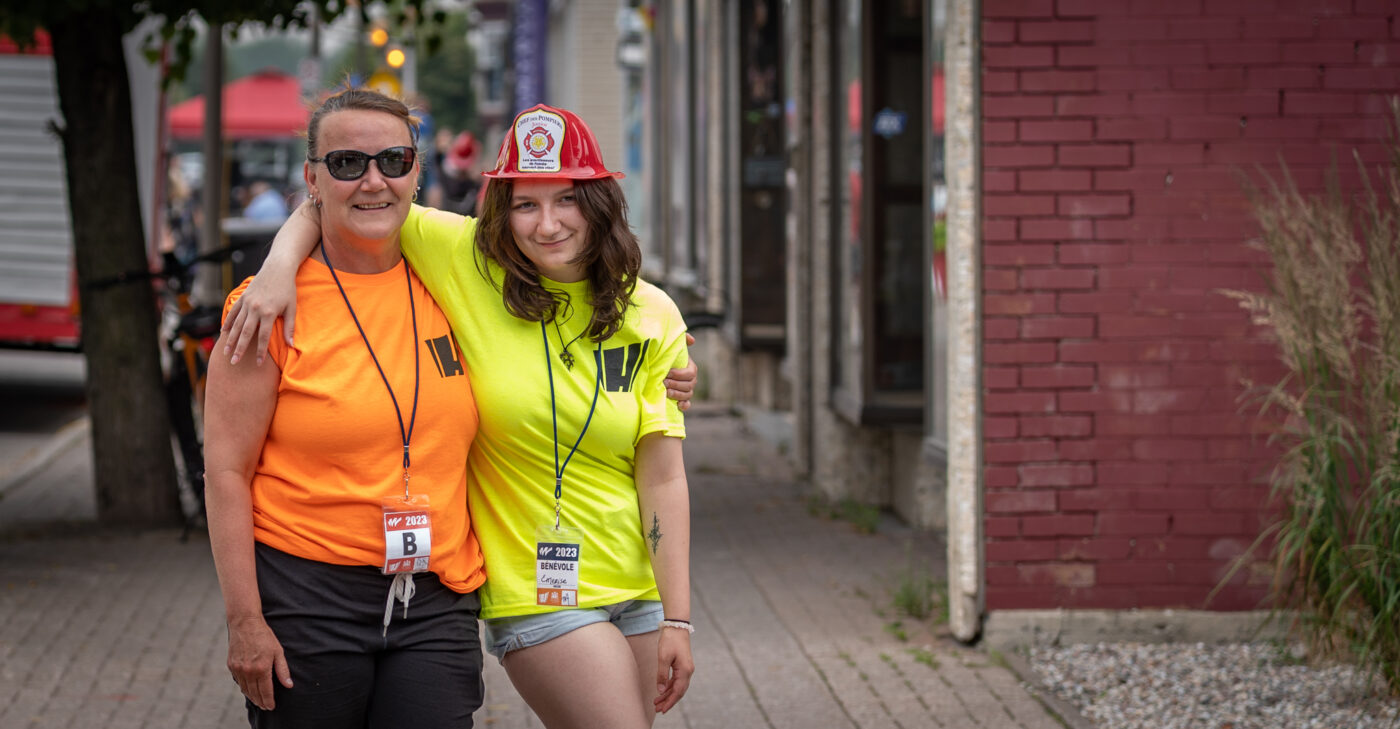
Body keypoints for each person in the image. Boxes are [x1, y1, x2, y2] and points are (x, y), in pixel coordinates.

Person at [223, 103, 697, 727]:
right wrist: (276, 270)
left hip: (624, 586)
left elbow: (662, 475)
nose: (546, 224)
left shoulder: (653, 312)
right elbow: (344, 203)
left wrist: (679, 614)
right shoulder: (473, 262)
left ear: (600, 203)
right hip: (522, 590)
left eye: (567, 200)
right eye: (525, 203)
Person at [203, 88, 490, 728]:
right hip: (307, 597)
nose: (373, 181)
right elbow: (224, 472)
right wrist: (244, 621)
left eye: (392, 160)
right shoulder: (266, 308)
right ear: (312, 178)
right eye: (346, 164)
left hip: (436, 595)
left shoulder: (456, 279)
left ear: (417, 171)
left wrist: (664, 355)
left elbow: (570, 278)